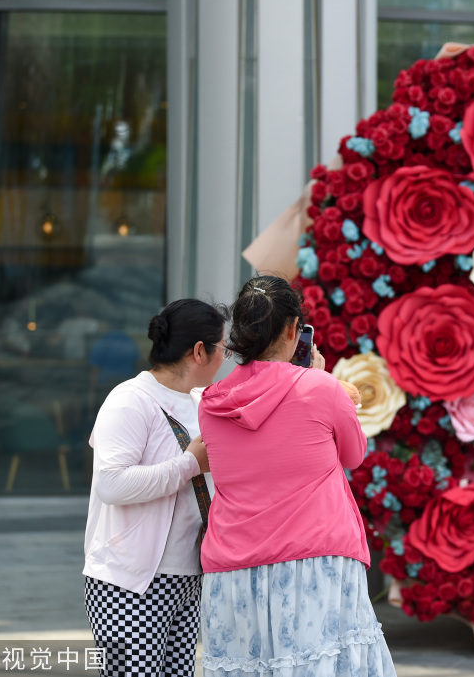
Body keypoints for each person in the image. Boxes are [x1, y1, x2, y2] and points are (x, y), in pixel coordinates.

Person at [198, 276, 396, 677]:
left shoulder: (212, 403)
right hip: (315, 559)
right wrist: (319, 379)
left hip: (233, 566)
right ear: (293, 330)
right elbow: (354, 456)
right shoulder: (321, 388)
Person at [83, 298, 228, 676]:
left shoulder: (200, 401)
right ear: (200, 351)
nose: (224, 357)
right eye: (222, 348)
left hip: (187, 576)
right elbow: (112, 484)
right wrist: (189, 464)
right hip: (129, 583)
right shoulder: (130, 400)